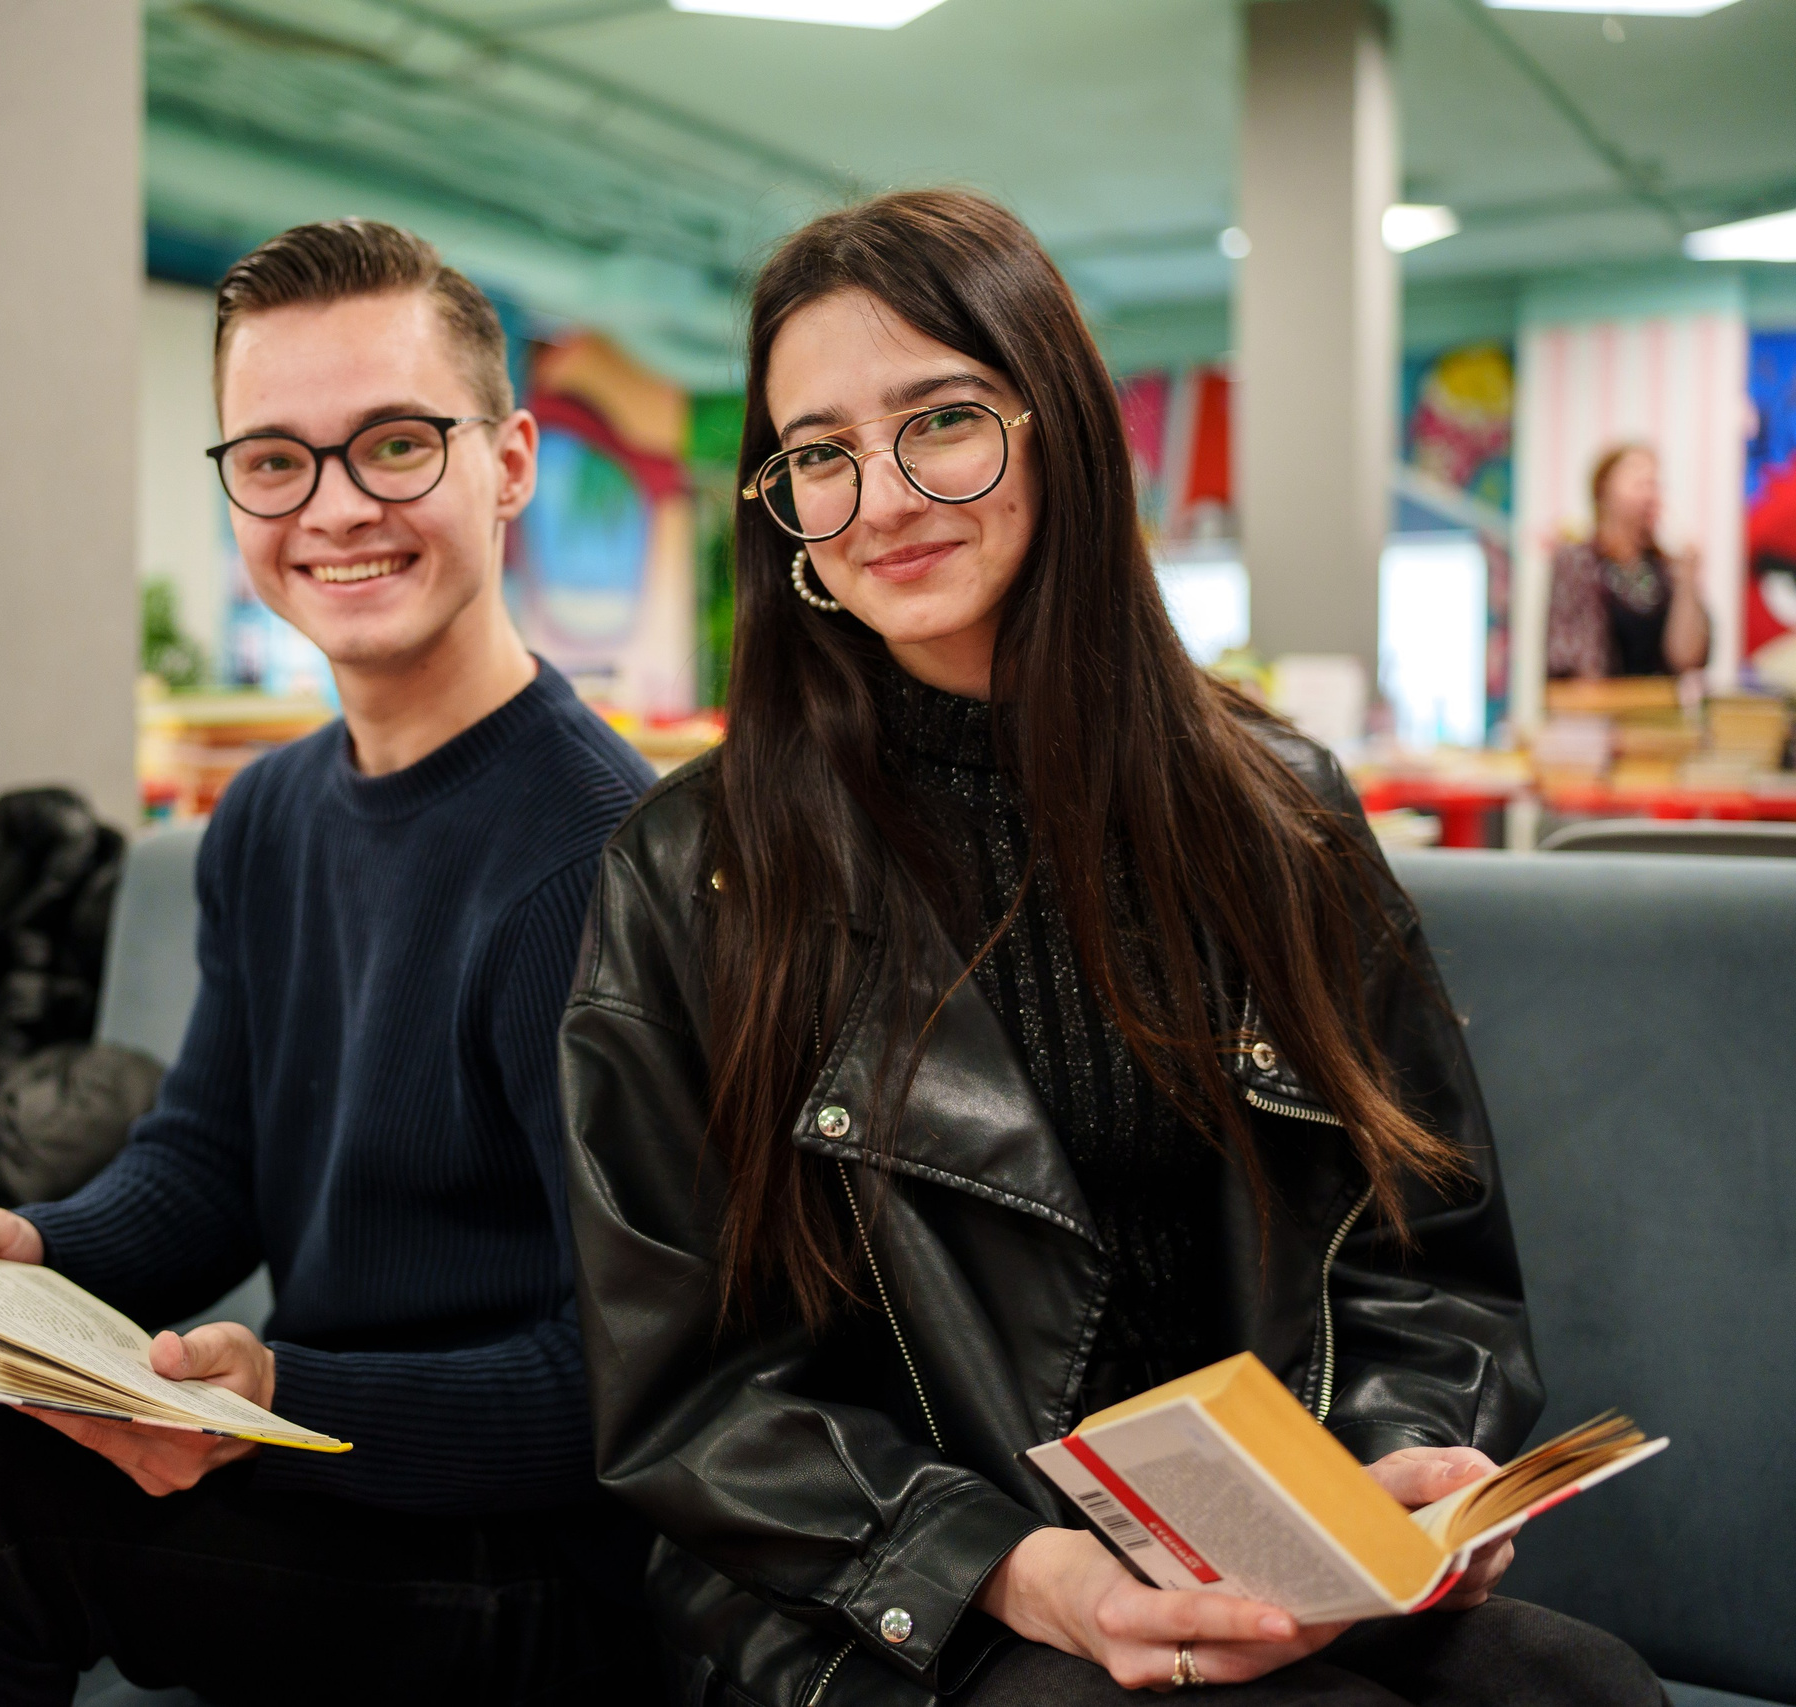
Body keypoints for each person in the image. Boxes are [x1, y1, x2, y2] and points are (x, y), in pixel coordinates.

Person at [558, 189, 1664, 1704]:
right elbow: (689, 1394)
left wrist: (1380, 1471)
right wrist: (1028, 1573)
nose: (880, 495)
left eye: (939, 421)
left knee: (1574, 1684)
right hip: (895, 1589)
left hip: (1259, 1550)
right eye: (818, 452)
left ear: (1059, 424)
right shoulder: (693, 869)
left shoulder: (1278, 811)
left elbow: (1421, 1254)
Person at [0, 220, 660, 1707]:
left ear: (507, 462)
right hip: (325, 1453)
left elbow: (632, 1380)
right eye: (273, 459)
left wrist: (283, 1388)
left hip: (525, 1552)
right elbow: (210, 1158)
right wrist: (32, 1250)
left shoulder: (599, 860)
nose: (334, 507)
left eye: (393, 442)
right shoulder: (267, 812)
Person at [1547, 442, 1711, 681]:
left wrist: (1688, 581)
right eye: (1637, 480)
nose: (1649, 491)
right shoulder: (1578, 560)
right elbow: (1572, 663)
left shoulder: (1663, 569)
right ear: (1603, 489)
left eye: (1653, 484)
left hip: (1657, 711)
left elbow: (1686, 660)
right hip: (1596, 713)